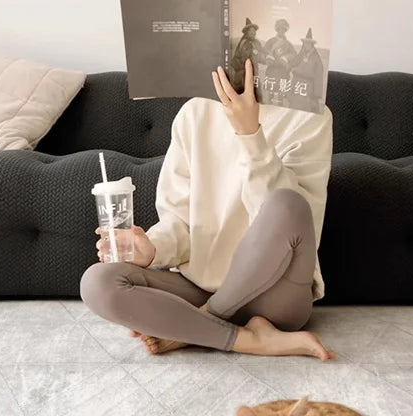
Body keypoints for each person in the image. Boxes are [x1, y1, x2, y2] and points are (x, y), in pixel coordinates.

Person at [80, 58, 334, 360]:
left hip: (275, 296)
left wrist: (250, 134)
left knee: (287, 203)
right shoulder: (194, 113)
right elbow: (179, 220)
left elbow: (289, 220)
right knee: (97, 282)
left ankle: (201, 322)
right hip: (198, 286)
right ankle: (250, 340)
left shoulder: (311, 116)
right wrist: (152, 250)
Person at [289, 29, 324, 114]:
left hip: (308, 88)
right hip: (297, 86)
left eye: (308, 43)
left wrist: (316, 95)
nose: (306, 45)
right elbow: (292, 64)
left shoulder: (316, 59)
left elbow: (319, 76)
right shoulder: (300, 55)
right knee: (293, 110)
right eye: (305, 43)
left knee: (305, 111)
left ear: (312, 45)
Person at [263, 19, 297, 106]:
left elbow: (294, 55)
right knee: (270, 95)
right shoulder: (270, 41)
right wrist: (269, 57)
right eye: (280, 29)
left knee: (281, 96)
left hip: (283, 73)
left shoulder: (288, 44)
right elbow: (264, 52)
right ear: (277, 29)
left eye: (283, 29)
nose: (281, 31)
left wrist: (286, 58)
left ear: (285, 30)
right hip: (272, 71)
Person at [230, 18, 264, 93]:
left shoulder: (257, 43)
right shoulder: (243, 43)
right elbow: (238, 58)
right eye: (251, 31)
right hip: (242, 74)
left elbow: (262, 57)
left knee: (256, 93)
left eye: (254, 31)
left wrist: (258, 54)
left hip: (254, 73)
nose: (253, 33)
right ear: (247, 32)